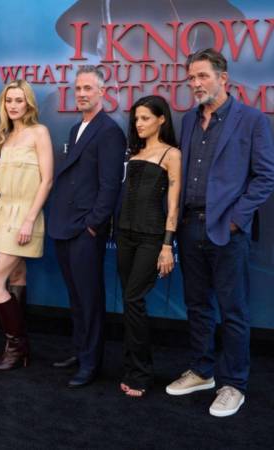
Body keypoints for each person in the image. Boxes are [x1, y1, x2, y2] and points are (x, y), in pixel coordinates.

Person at [165, 48, 274, 417]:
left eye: (202, 76)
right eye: (191, 78)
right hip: (189, 226)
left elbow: (265, 177)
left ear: (223, 78)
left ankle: (234, 384)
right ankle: (202, 371)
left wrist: (235, 220)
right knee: (197, 305)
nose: (195, 84)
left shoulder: (251, 119)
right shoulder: (188, 121)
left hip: (227, 230)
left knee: (233, 310)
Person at [48, 65, 126, 387]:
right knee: (76, 297)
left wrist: (94, 225)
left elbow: (110, 185)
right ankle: (80, 352)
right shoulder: (75, 128)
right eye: (78, 88)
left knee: (90, 299)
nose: (81, 94)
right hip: (65, 225)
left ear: (102, 92)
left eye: (88, 89)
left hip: (85, 229)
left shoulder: (109, 131)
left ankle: (91, 364)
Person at [0, 80, 53, 370]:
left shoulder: (39, 132)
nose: (13, 105)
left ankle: (17, 345)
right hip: (4, 213)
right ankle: (18, 347)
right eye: (9, 100)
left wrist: (29, 220)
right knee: (16, 276)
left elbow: (46, 180)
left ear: (29, 104)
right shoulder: (6, 137)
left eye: (19, 100)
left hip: (25, 214)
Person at [117, 95, 181, 397]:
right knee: (130, 302)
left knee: (134, 299)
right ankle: (131, 367)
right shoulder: (135, 152)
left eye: (145, 118)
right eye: (136, 119)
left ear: (161, 119)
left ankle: (141, 373)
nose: (139, 124)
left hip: (151, 237)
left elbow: (173, 205)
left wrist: (167, 245)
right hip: (124, 234)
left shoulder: (172, 154)